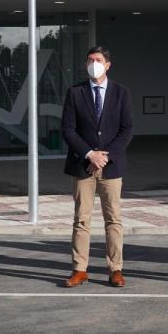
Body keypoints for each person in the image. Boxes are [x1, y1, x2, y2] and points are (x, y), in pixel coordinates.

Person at [60, 46, 134, 288]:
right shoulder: (75, 92)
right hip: (83, 166)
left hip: (111, 167)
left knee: (113, 219)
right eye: (90, 60)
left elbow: (127, 130)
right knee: (81, 220)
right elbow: (68, 129)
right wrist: (90, 154)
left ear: (108, 64)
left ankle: (116, 269)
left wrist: (104, 156)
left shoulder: (121, 93)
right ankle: (79, 269)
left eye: (99, 60)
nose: (94, 64)